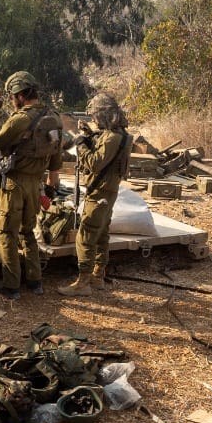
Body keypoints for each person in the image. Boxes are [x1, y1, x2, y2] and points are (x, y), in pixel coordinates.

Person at [0, 71, 62, 300]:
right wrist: (50, 184)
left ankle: (11, 286)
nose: (12, 101)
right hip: (35, 184)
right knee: (28, 232)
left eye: (12, 97)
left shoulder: (20, 119)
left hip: (14, 184)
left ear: (20, 95)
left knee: (7, 233)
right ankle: (35, 281)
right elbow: (56, 157)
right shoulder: (54, 118)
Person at [59, 93, 131, 297]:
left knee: (86, 235)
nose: (94, 119)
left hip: (99, 192)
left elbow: (94, 163)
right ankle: (98, 275)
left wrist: (81, 143)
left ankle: (83, 282)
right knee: (101, 234)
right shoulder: (119, 135)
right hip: (108, 191)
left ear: (104, 115)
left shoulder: (112, 138)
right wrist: (89, 134)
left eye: (95, 116)